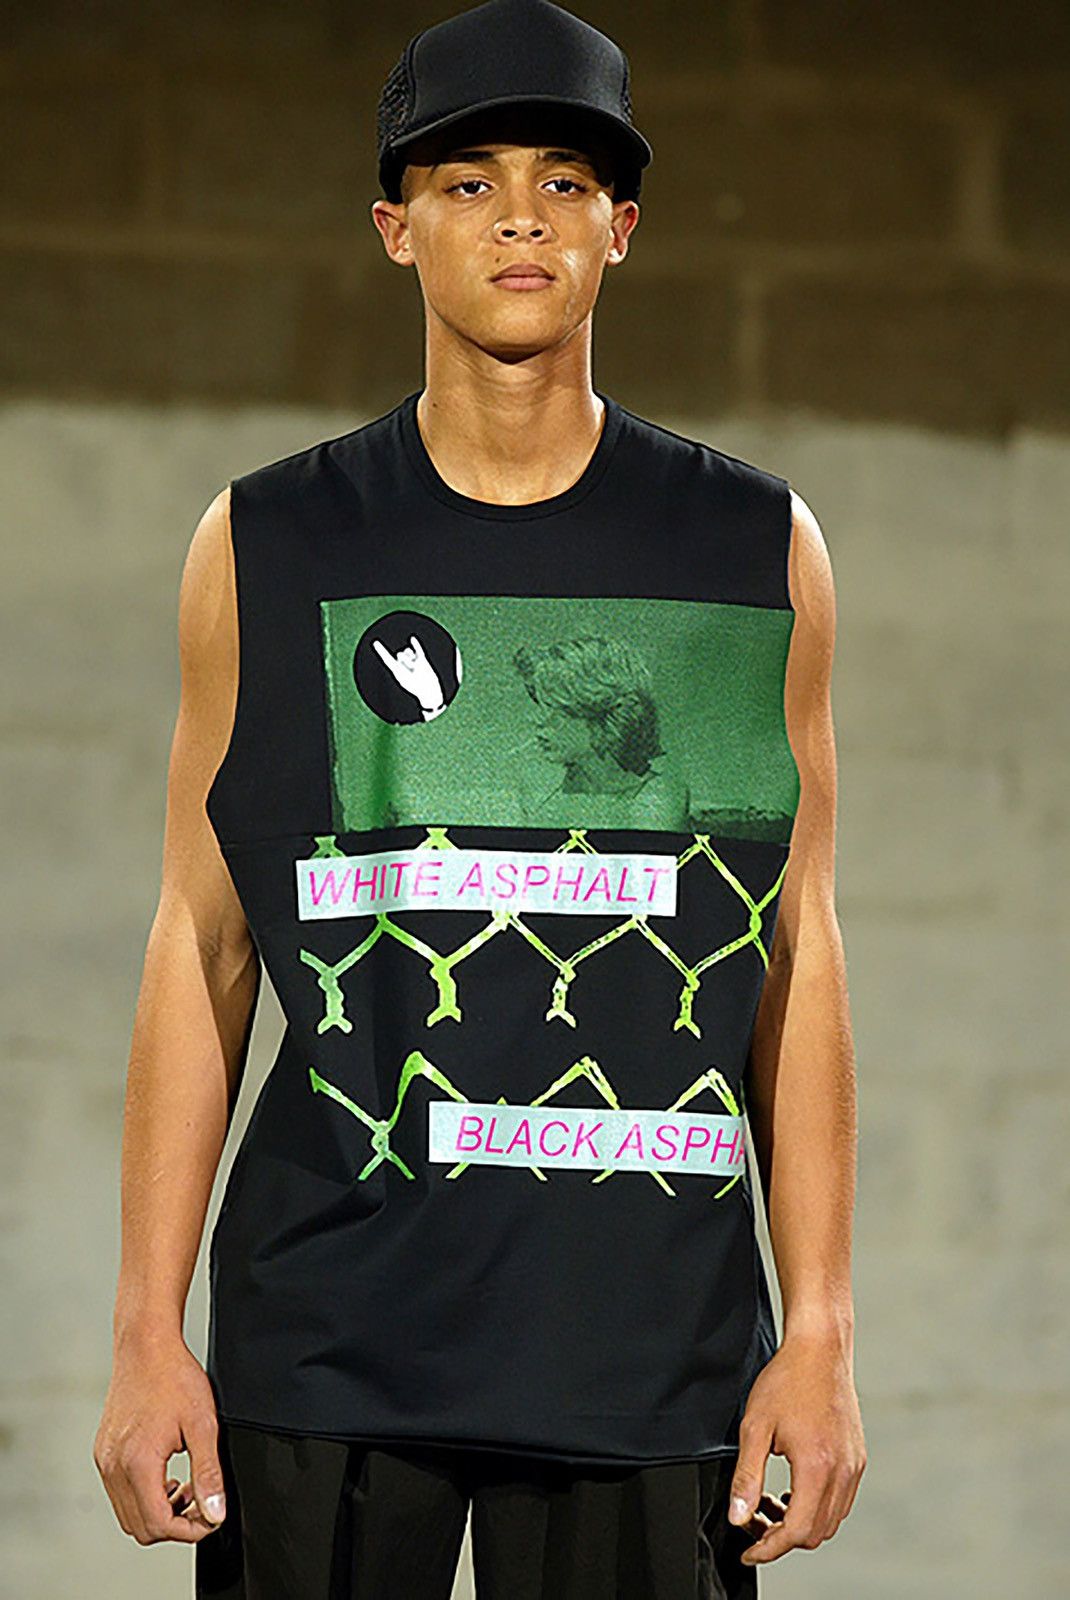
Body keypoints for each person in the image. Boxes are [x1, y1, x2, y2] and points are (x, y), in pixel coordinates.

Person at [92, 1, 866, 1595]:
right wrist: (145, 1332)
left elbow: (793, 945)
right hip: (328, 1332)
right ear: (396, 229)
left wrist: (823, 1333)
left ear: (620, 228)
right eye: (467, 181)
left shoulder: (750, 550)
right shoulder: (267, 543)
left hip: (646, 1345)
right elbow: (203, 940)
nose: (520, 215)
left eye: (563, 181)